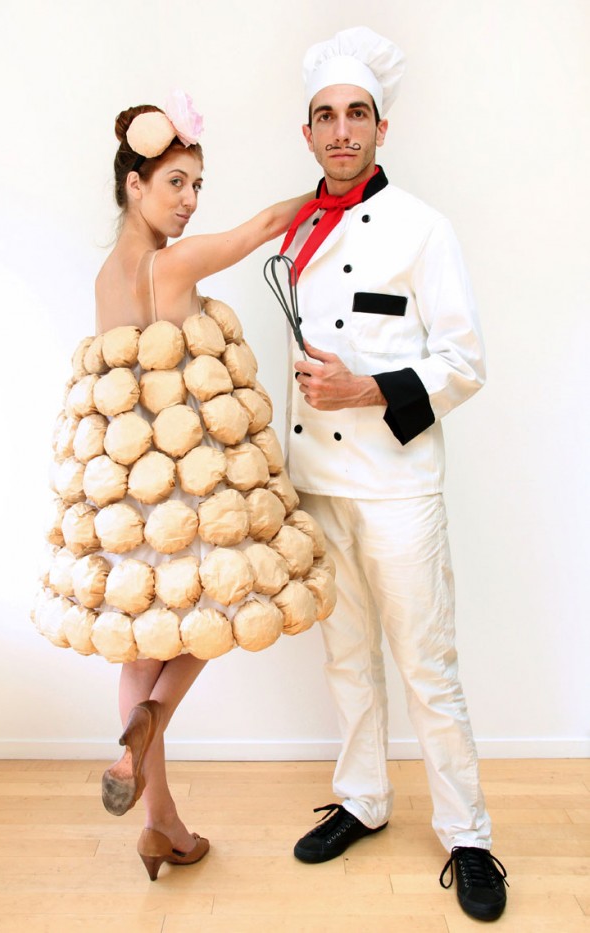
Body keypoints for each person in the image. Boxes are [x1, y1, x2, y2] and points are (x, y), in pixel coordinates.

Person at [32, 93, 332, 881]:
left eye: (197, 184)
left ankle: (159, 820)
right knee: (210, 613)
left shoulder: (107, 277)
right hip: (191, 483)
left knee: (142, 643)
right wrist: (329, 188)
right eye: (174, 182)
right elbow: (261, 228)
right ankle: (154, 719)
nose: (190, 199)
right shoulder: (173, 262)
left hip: (129, 494)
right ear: (133, 185)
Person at [279, 27, 508, 923]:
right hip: (315, 481)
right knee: (344, 656)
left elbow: (464, 361)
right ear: (307, 132)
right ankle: (364, 798)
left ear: (382, 127)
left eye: (356, 114)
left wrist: (366, 387)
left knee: (425, 664)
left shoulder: (422, 227)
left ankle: (468, 834)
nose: (341, 130)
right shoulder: (296, 227)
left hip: (397, 483)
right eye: (325, 116)